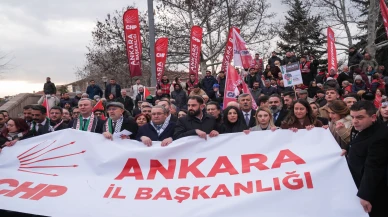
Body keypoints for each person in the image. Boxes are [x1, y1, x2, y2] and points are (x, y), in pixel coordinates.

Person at [344, 101, 388, 216]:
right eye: (352, 117)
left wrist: (365, 195)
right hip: (358, 184)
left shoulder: (380, 137)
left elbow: (373, 168)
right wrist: (348, 151)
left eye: (360, 117)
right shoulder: (362, 127)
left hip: (374, 193)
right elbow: (359, 147)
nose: (354, 121)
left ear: (373, 117)